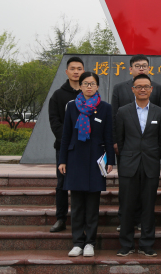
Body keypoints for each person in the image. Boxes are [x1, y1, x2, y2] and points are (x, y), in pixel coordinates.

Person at [58, 72, 115, 257]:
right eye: (85, 83)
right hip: (75, 159)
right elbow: (66, 135)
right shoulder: (72, 106)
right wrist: (62, 160)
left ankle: (90, 242)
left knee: (92, 205)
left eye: (92, 83)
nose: (89, 86)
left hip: (95, 161)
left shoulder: (105, 108)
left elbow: (108, 136)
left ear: (97, 86)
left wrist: (111, 160)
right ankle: (77, 242)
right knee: (76, 206)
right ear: (80, 86)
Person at [116, 74, 161, 257]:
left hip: (150, 164)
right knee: (127, 206)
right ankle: (126, 244)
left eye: (146, 86)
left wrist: (152, 156)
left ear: (151, 89)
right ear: (133, 89)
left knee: (148, 206)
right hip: (129, 165)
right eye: (139, 87)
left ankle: (147, 244)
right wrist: (127, 156)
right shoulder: (123, 111)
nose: (142, 89)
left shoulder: (160, 112)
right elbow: (120, 140)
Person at [111, 54, 161, 231]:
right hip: (127, 149)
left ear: (149, 68)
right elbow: (114, 116)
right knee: (127, 187)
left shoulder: (157, 88)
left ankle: (142, 220)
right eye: (137, 65)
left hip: (149, 151)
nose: (141, 68)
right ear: (130, 69)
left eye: (144, 65)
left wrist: (156, 152)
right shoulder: (119, 88)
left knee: (146, 189)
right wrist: (116, 142)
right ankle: (125, 219)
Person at [48, 56, 84, 233]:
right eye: (73, 68)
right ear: (66, 71)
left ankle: (83, 220)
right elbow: (55, 122)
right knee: (62, 183)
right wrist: (69, 140)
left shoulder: (89, 94)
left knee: (83, 183)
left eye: (79, 68)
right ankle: (61, 218)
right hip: (64, 146)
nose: (76, 72)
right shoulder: (58, 95)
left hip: (85, 147)